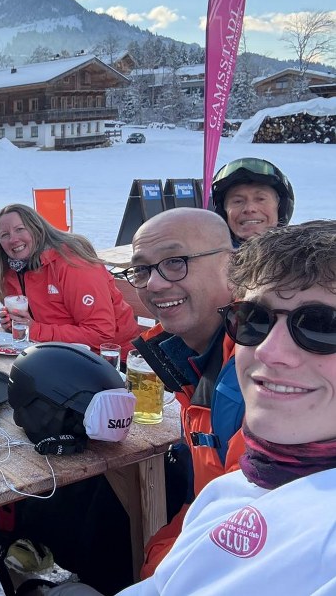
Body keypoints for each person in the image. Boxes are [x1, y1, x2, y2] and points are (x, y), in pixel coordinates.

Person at [41, 220, 336, 595]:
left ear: (228, 268)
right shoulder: (244, 478)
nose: (268, 351)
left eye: (321, 327)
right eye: (255, 320)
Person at [121, 207, 241, 578]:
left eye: (175, 262)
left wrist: (157, 577)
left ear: (233, 266)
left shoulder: (257, 374)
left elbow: (243, 532)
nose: (154, 284)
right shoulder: (189, 357)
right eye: (142, 269)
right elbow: (206, 503)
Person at [0, 203, 137, 353]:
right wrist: (14, 324)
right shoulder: (12, 272)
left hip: (108, 357)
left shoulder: (73, 264)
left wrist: (34, 330)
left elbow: (100, 333)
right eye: (4, 235)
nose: (13, 239)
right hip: (51, 353)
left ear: (37, 229)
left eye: (20, 229)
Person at [210, 157, 294, 246]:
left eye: (260, 199)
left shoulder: (302, 253)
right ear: (223, 212)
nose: (249, 209)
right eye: (238, 201)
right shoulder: (205, 253)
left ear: (281, 207)